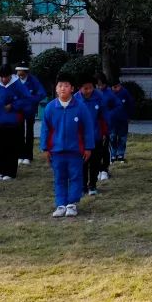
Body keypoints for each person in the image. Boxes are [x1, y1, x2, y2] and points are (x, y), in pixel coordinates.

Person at [41, 72, 93, 218]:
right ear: (56, 89)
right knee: (60, 178)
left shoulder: (80, 107)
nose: (63, 88)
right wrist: (45, 148)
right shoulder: (50, 107)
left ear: (72, 88)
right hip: (56, 151)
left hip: (75, 151)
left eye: (66, 86)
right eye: (60, 86)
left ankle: (72, 204)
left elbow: (88, 129)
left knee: (76, 177)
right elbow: (45, 129)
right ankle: (61, 204)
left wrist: (88, 147)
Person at [0, 66, 28, 181]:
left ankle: (10, 172)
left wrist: (13, 105)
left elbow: (26, 98)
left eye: (6, 77)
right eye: (2, 77)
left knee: (11, 146)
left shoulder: (17, 84)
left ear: (10, 76)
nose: (4, 80)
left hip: (12, 120)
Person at [75, 77, 109, 196]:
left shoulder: (99, 97)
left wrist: (104, 132)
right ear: (80, 88)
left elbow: (104, 116)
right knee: (82, 162)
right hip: (80, 138)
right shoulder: (75, 99)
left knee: (95, 162)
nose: (89, 90)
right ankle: (83, 186)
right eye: (86, 88)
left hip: (96, 135)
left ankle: (92, 185)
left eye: (91, 88)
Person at [14, 65, 45, 167]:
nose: (19, 74)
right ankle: (20, 155)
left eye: (21, 73)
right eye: (18, 72)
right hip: (19, 110)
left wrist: (32, 100)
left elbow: (42, 93)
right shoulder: (15, 80)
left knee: (29, 132)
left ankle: (28, 156)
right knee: (19, 132)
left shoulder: (33, 80)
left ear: (26, 72)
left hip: (30, 110)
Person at [108, 77, 135, 163]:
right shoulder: (109, 94)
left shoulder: (125, 93)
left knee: (122, 138)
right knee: (112, 137)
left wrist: (129, 116)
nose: (116, 89)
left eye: (117, 86)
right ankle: (113, 154)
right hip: (112, 121)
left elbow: (130, 104)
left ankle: (120, 154)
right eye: (114, 87)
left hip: (123, 120)